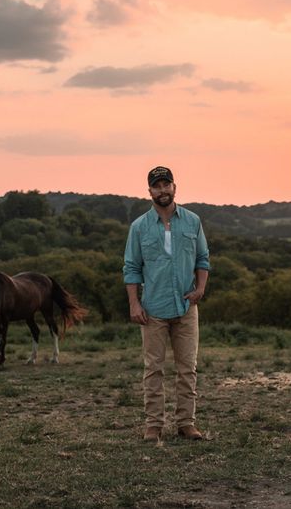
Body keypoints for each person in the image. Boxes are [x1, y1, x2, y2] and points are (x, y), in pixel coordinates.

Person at [123, 165, 210, 442]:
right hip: (153, 310)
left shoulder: (193, 221)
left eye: (166, 184)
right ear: (149, 191)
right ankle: (153, 425)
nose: (162, 190)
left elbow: (203, 259)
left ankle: (186, 423)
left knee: (187, 368)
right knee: (154, 369)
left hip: (186, 308)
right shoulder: (139, 227)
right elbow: (131, 268)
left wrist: (200, 289)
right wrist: (134, 304)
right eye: (157, 186)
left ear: (175, 187)